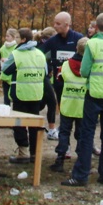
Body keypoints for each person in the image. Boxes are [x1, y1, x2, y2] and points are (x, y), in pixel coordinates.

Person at [62, 13, 103, 187]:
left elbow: (84, 70)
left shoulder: (92, 44)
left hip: (94, 93)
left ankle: (81, 175)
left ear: (96, 27)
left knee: (87, 134)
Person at [1, 28, 47, 164]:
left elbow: (6, 70)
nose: (15, 40)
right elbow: (45, 72)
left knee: (19, 124)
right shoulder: (40, 54)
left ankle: (23, 153)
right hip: (36, 93)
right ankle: (34, 153)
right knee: (34, 125)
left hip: (20, 94)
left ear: (23, 40)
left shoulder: (16, 54)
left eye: (16, 37)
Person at [40, 12, 85, 140]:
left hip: (78, 85)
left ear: (67, 24)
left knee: (80, 117)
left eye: (58, 23)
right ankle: (66, 147)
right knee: (65, 115)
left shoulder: (78, 38)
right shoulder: (53, 41)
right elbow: (40, 53)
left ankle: (84, 145)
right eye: (54, 23)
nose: (55, 26)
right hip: (60, 84)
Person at [50, 37, 88, 172]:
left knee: (64, 133)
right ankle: (82, 161)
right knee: (82, 134)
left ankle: (60, 160)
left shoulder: (65, 65)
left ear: (76, 48)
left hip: (67, 105)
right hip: (84, 107)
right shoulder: (91, 67)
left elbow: (58, 82)